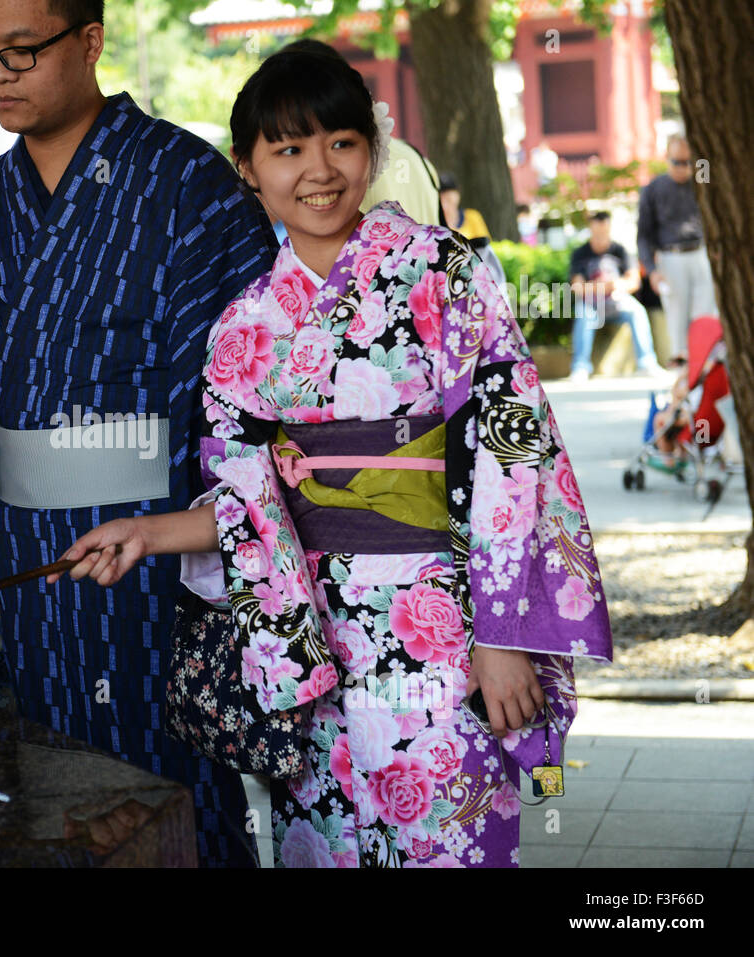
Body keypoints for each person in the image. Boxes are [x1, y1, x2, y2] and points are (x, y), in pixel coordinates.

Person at [55, 40, 613, 867]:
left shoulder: (440, 273)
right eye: (287, 149)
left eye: (341, 143)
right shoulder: (246, 325)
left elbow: (509, 447)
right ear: (246, 167)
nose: (319, 169)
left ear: (372, 150)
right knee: (326, 845)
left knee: (446, 836)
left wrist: (503, 635)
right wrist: (147, 534)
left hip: (442, 623)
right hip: (311, 637)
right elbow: (249, 496)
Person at [0, 0, 277, 867]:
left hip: (157, 555)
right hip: (32, 566)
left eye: (22, 52)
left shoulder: (189, 185)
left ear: (90, 41)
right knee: (52, 792)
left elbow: (252, 400)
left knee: (169, 784)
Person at [637, 133, 716, 366]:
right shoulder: (653, 188)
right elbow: (643, 235)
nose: (682, 168)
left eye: (687, 162)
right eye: (676, 162)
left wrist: (700, 163)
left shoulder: (701, 181)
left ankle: (706, 360)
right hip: (671, 256)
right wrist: (651, 270)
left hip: (701, 251)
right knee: (677, 316)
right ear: (666, 158)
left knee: (705, 314)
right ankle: (682, 365)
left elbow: (712, 178)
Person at [567, 211, 664, 380]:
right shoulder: (580, 254)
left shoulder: (620, 251)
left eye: (605, 231)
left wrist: (616, 286)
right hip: (592, 303)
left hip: (617, 301)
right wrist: (603, 287)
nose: (601, 236)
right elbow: (577, 287)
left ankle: (647, 362)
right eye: (597, 232)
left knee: (637, 311)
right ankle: (580, 366)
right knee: (583, 314)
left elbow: (633, 281)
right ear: (591, 229)